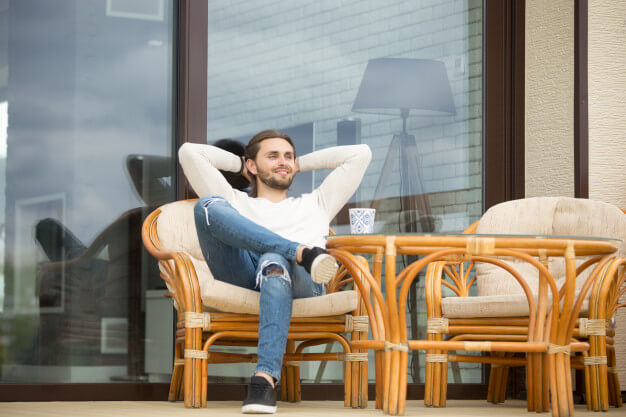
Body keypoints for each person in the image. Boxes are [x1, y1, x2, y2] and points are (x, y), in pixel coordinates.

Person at [178, 129, 371, 414]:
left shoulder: (317, 203)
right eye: (273, 156)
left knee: (273, 259)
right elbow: (189, 153)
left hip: (305, 283)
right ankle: (299, 251)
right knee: (208, 204)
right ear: (252, 166)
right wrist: (240, 165)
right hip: (244, 277)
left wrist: (298, 163)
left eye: (288, 157)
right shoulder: (236, 201)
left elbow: (360, 154)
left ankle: (264, 379)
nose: (284, 162)